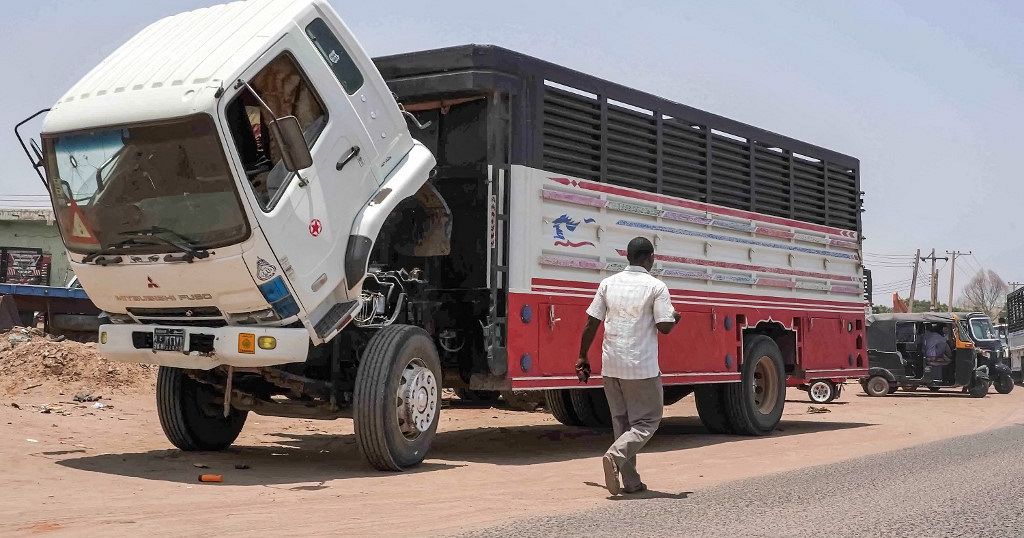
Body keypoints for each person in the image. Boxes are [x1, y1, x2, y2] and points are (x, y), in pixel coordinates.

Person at [577, 236, 681, 495]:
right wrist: (675, 317)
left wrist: (582, 357)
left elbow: (592, 323)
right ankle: (614, 455)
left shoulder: (607, 284)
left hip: (611, 365)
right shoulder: (656, 286)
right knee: (648, 421)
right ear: (651, 259)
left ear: (627, 256)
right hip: (641, 366)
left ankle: (631, 482)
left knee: (621, 424)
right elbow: (664, 327)